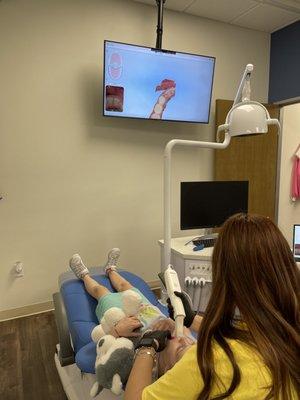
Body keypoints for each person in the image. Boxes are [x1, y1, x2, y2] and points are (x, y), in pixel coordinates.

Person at [124, 213, 300, 400]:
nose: (183, 339)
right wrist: (190, 319)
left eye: (181, 347)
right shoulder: (289, 329)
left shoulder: (209, 363)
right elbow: (244, 331)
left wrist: (147, 346)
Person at [69, 248, 195, 374]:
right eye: (191, 343)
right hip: (145, 307)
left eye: (181, 348)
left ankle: (84, 275)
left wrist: (117, 331)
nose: (184, 339)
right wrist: (173, 323)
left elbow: (107, 349)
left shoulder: (145, 361)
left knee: (100, 291)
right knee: (124, 285)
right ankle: (110, 269)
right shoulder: (186, 345)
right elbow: (186, 332)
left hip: (119, 316)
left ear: (168, 368)